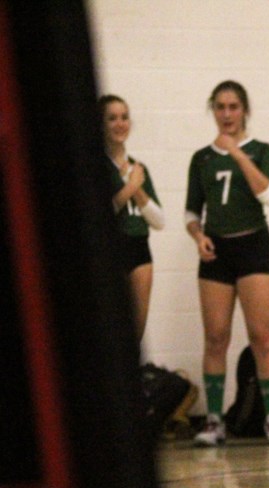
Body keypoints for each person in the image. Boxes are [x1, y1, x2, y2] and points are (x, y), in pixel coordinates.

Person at [185, 80, 269, 446]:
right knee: (215, 338)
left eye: (233, 107)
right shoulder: (201, 158)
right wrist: (198, 237)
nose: (227, 114)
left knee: (262, 336)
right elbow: (190, 213)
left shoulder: (262, 150)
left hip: (254, 247)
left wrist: (237, 153)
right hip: (217, 252)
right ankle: (214, 421)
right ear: (213, 110)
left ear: (244, 110)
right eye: (220, 107)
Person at [99, 94, 165, 344]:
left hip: (140, 249)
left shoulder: (138, 168)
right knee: (111, 332)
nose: (120, 124)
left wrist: (137, 187)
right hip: (112, 248)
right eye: (112, 118)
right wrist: (130, 187)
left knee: (135, 336)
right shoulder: (98, 166)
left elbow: (159, 221)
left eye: (124, 117)